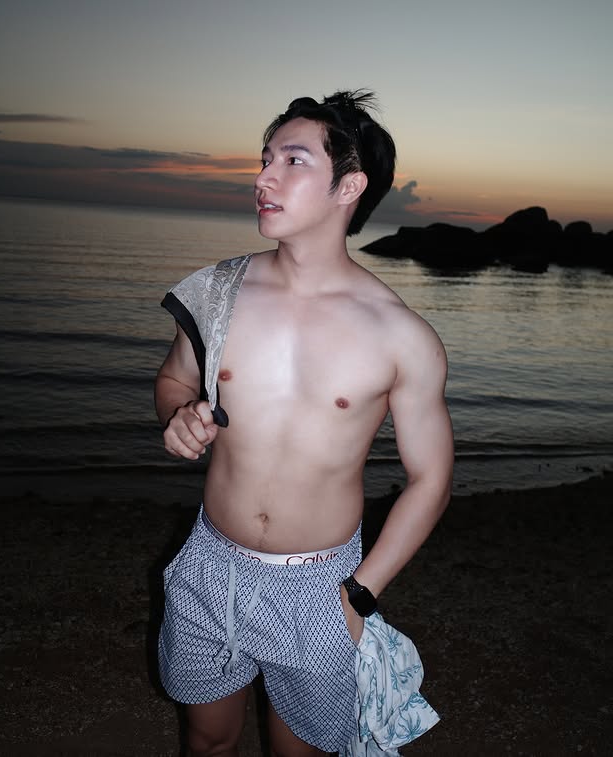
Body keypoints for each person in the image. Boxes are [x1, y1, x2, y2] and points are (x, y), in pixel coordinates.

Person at [155, 91, 454, 757]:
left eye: (292, 161)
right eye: (265, 159)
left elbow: (431, 479)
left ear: (349, 186)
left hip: (321, 585)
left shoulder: (401, 336)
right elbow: (174, 378)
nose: (263, 177)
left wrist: (361, 592)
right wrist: (176, 416)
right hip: (210, 564)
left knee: (303, 750)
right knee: (206, 740)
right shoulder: (216, 292)